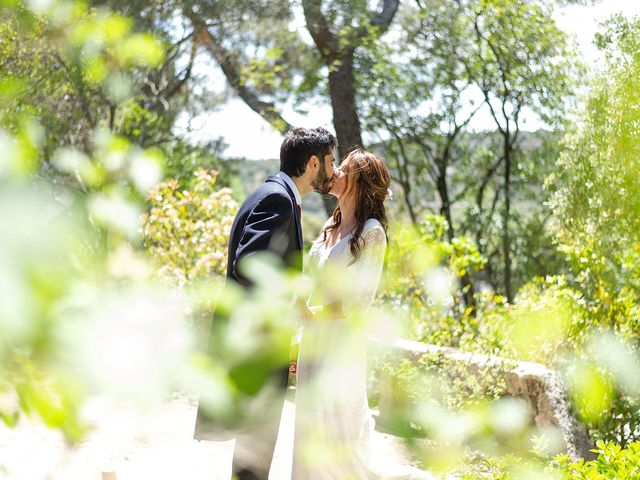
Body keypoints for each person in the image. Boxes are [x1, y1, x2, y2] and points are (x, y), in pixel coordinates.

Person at [193, 127, 339, 480]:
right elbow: (250, 265)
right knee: (254, 457)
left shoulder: (272, 193)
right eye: (331, 162)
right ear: (313, 163)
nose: (333, 172)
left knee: (250, 458)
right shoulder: (279, 200)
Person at [293, 148, 431, 479]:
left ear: (361, 180)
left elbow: (360, 301)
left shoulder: (372, 232)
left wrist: (315, 313)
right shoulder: (331, 225)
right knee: (308, 431)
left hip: (341, 345)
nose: (336, 169)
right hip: (313, 340)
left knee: (338, 435)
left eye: (345, 167)